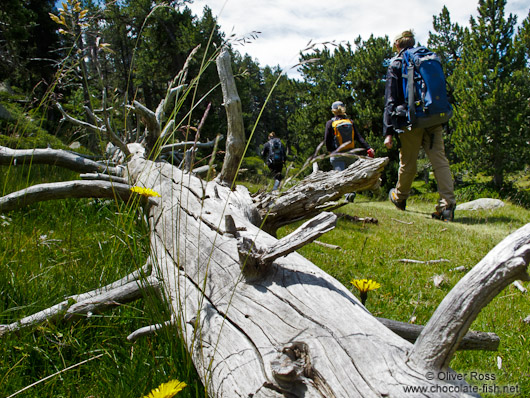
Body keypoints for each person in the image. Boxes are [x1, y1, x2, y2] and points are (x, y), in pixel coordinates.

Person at [383, 30, 456, 221]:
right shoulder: (427, 58)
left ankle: (399, 198)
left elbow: (390, 101)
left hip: (411, 121)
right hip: (434, 117)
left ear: (398, 45)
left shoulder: (396, 63)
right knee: (439, 160)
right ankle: (447, 205)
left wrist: (388, 132)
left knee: (408, 162)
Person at [324, 100, 375, 202]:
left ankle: (345, 196)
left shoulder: (330, 123)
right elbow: (359, 137)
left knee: (340, 178)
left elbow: (327, 140)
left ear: (333, 111)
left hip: (337, 155)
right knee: (351, 176)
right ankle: (350, 194)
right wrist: (368, 148)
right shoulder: (350, 122)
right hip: (351, 154)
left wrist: (331, 152)